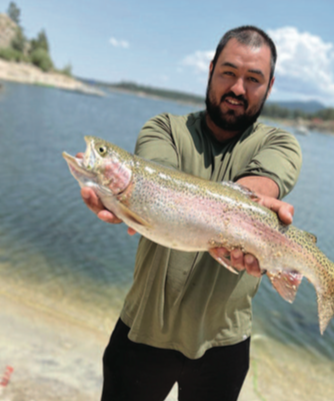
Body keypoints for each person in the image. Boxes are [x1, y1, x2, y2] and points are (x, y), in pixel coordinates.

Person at [80, 26, 302, 401]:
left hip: (225, 345)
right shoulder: (164, 128)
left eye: (253, 79)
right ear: (211, 69)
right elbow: (152, 181)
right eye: (229, 73)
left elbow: (262, 184)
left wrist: (249, 214)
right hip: (142, 332)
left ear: (270, 85)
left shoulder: (280, 144)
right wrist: (126, 201)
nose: (237, 88)